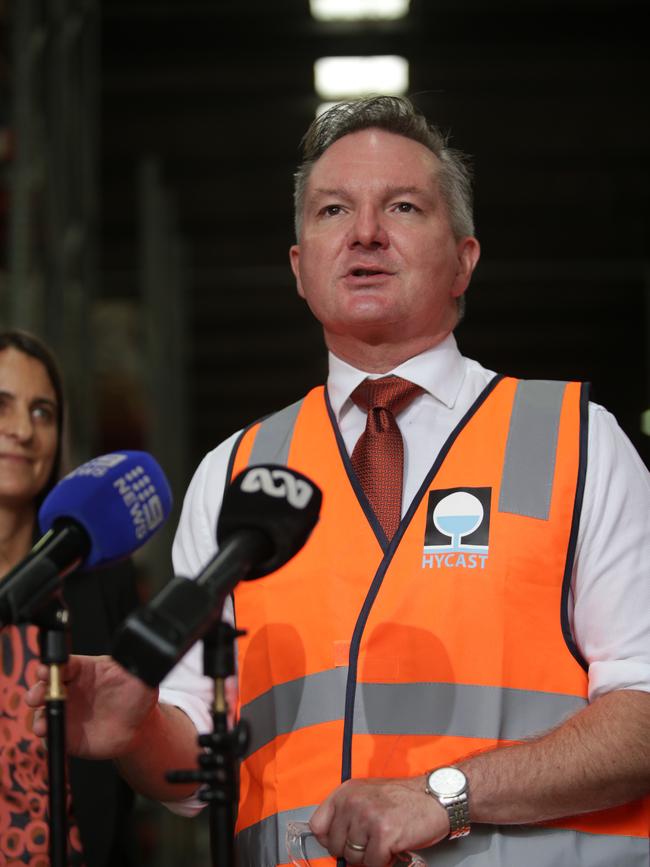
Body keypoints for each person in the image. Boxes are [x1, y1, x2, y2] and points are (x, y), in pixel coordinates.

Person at [26, 97, 650, 867]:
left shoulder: (578, 441)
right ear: (299, 266)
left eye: (403, 206)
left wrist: (443, 794)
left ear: (464, 259)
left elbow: (643, 710)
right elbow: (192, 767)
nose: (364, 233)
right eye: (332, 209)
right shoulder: (235, 472)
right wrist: (138, 728)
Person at [0, 329, 139, 866]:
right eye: (3, 406)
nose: (21, 431)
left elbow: (126, 767)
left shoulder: (100, 576)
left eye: (42, 413)